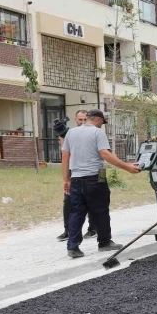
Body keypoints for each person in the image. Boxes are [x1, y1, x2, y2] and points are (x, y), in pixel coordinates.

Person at [61, 109, 141, 258]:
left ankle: (72, 246)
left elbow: (65, 157)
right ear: (98, 120)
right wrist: (127, 167)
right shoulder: (98, 133)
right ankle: (104, 242)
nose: (101, 126)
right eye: (101, 123)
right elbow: (105, 154)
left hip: (76, 178)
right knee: (101, 210)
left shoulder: (71, 133)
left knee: (77, 213)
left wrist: (66, 180)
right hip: (95, 177)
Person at [56, 109, 98, 241]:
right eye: (80, 120)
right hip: (74, 172)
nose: (83, 122)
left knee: (94, 201)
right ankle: (68, 231)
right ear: (76, 120)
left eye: (85, 119)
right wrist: (62, 136)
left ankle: (93, 229)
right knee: (68, 201)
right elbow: (65, 154)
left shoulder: (95, 133)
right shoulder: (71, 134)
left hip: (93, 172)